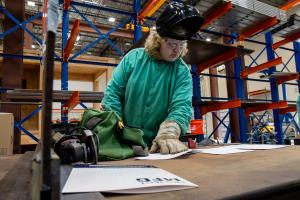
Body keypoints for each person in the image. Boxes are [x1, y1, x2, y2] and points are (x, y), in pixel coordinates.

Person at [101, 2, 204, 154]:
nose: (177, 49)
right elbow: (113, 94)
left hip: (158, 147)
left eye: (181, 44)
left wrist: (169, 132)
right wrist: (117, 130)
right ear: (158, 40)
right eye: (171, 44)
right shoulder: (133, 59)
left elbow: (181, 106)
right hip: (123, 144)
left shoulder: (181, 71)